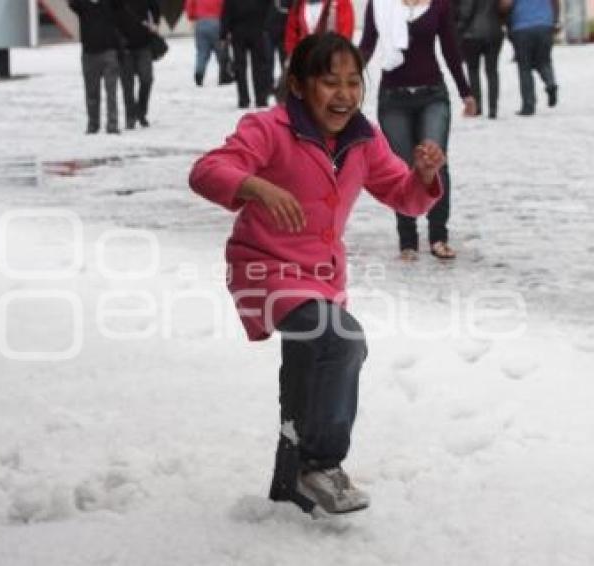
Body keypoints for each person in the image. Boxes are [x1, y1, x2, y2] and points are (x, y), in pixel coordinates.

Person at [189, 33, 446, 516]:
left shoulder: (362, 138)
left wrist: (425, 177)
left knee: (306, 374)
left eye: (353, 82)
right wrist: (257, 187)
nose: (345, 94)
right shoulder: (268, 127)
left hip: (320, 280)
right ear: (299, 86)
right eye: (330, 82)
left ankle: (289, 490)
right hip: (263, 271)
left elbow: (403, 195)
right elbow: (207, 170)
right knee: (340, 340)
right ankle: (322, 464)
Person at [359, 0, 477, 261]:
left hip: (432, 96)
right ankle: (407, 241)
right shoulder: (379, 5)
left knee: (435, 163)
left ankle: (438, 237)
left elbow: (450, 49)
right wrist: (348, 78)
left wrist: (465, 92)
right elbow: (367, 45)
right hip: (393, 99)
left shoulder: (439, 5)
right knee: (401, 168)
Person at [68, 0, 122, 134]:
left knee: (111, 91)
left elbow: (120, 5)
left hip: (109, 51)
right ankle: (93, 124)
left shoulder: (110, 4)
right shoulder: (81, 4)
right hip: (89, 53)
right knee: (91, 92)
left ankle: (112, 124)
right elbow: (71, 3)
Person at [506, 0, 560, 115]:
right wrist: (554, 20)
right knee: (544, 61)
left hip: (522, 27)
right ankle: (550, 83)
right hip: (545, 24)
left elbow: (506, 4)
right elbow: (555, 2)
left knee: (524, 68)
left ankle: (528, 105)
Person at [455, 0, 504, 119]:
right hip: (494, 32)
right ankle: (493, 109)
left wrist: (458, 29)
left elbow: (466, 12)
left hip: (472, 35)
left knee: (473, 71)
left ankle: (477, 107)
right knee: (492, 71)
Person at [220, 0, 273, 108]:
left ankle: (243, 99)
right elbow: (270, 7)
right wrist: (267, 25)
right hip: (258, 30)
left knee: (240, 67)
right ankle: (261, 98)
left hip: (238, 31)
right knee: (259, 67)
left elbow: (226, 12)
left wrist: (223, 34)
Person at [117, 0, 161, 129]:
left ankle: (141, 112)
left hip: (144, 44)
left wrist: (155, 24)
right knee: (127, 84)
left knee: (147, 79)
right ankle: (130, 117)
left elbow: (155, 8)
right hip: (123, 46)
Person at [284, 0, 355, 57]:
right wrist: (294, 56)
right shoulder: (299, 4)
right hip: (305, 63)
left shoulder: (341, 2)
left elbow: (345, 35)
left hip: (330, 62)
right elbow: (291, 34)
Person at [185, 0, 231, 86]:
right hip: (217, 22)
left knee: (202, 52)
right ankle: (224, 75)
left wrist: (192, 17)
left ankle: (199, 73)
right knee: (221, 51)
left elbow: (189, 4)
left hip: (200, 22)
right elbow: (226, 6)